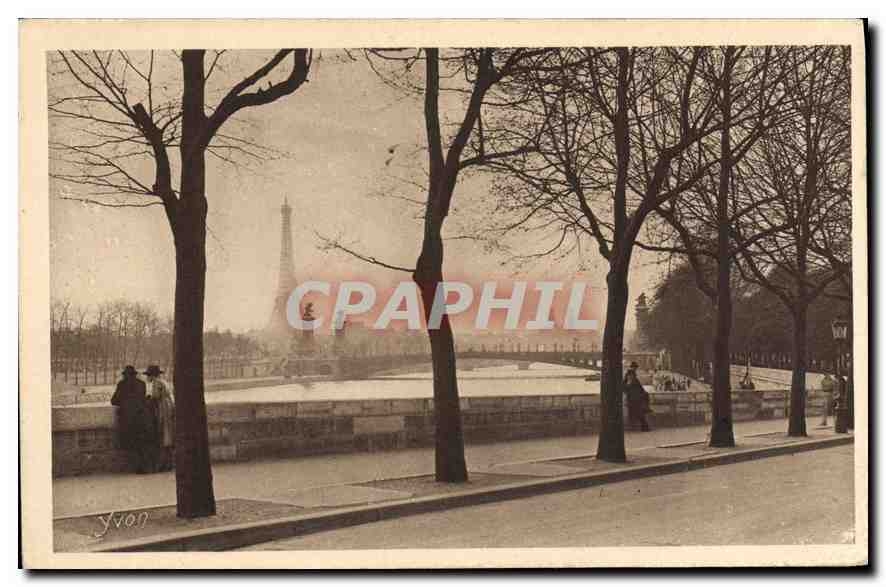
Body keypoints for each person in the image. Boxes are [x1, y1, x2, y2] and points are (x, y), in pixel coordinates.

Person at [110, 365, 150, 473]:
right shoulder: (142, 384)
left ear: (125, 375)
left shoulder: (122, 384)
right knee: (142, 442)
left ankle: (135, 467)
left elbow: (114, 400)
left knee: (131, 442)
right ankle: (143, 467)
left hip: (128, 418)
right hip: (142, 416)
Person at [144, 365, 175, 472]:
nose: (147, 377)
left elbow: (155, 397)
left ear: (152, 375)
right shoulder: (163, 381)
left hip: (163, 408)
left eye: (148, 375)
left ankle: (166, 464)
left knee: (165, 434)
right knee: (168, 434)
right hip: (169, 405)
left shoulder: (156, 383)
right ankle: (169, 463)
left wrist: (147, 399)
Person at [624, 362, 651, 432]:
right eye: (635, 368)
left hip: (634, 399)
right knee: (640, 413)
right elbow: (636, 387)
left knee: (637, 414)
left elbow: (626, 388)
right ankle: (644, 427)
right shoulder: (631, 376)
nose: (636, 369)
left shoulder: (629, 376)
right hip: (635, 399)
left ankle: (642, 427)